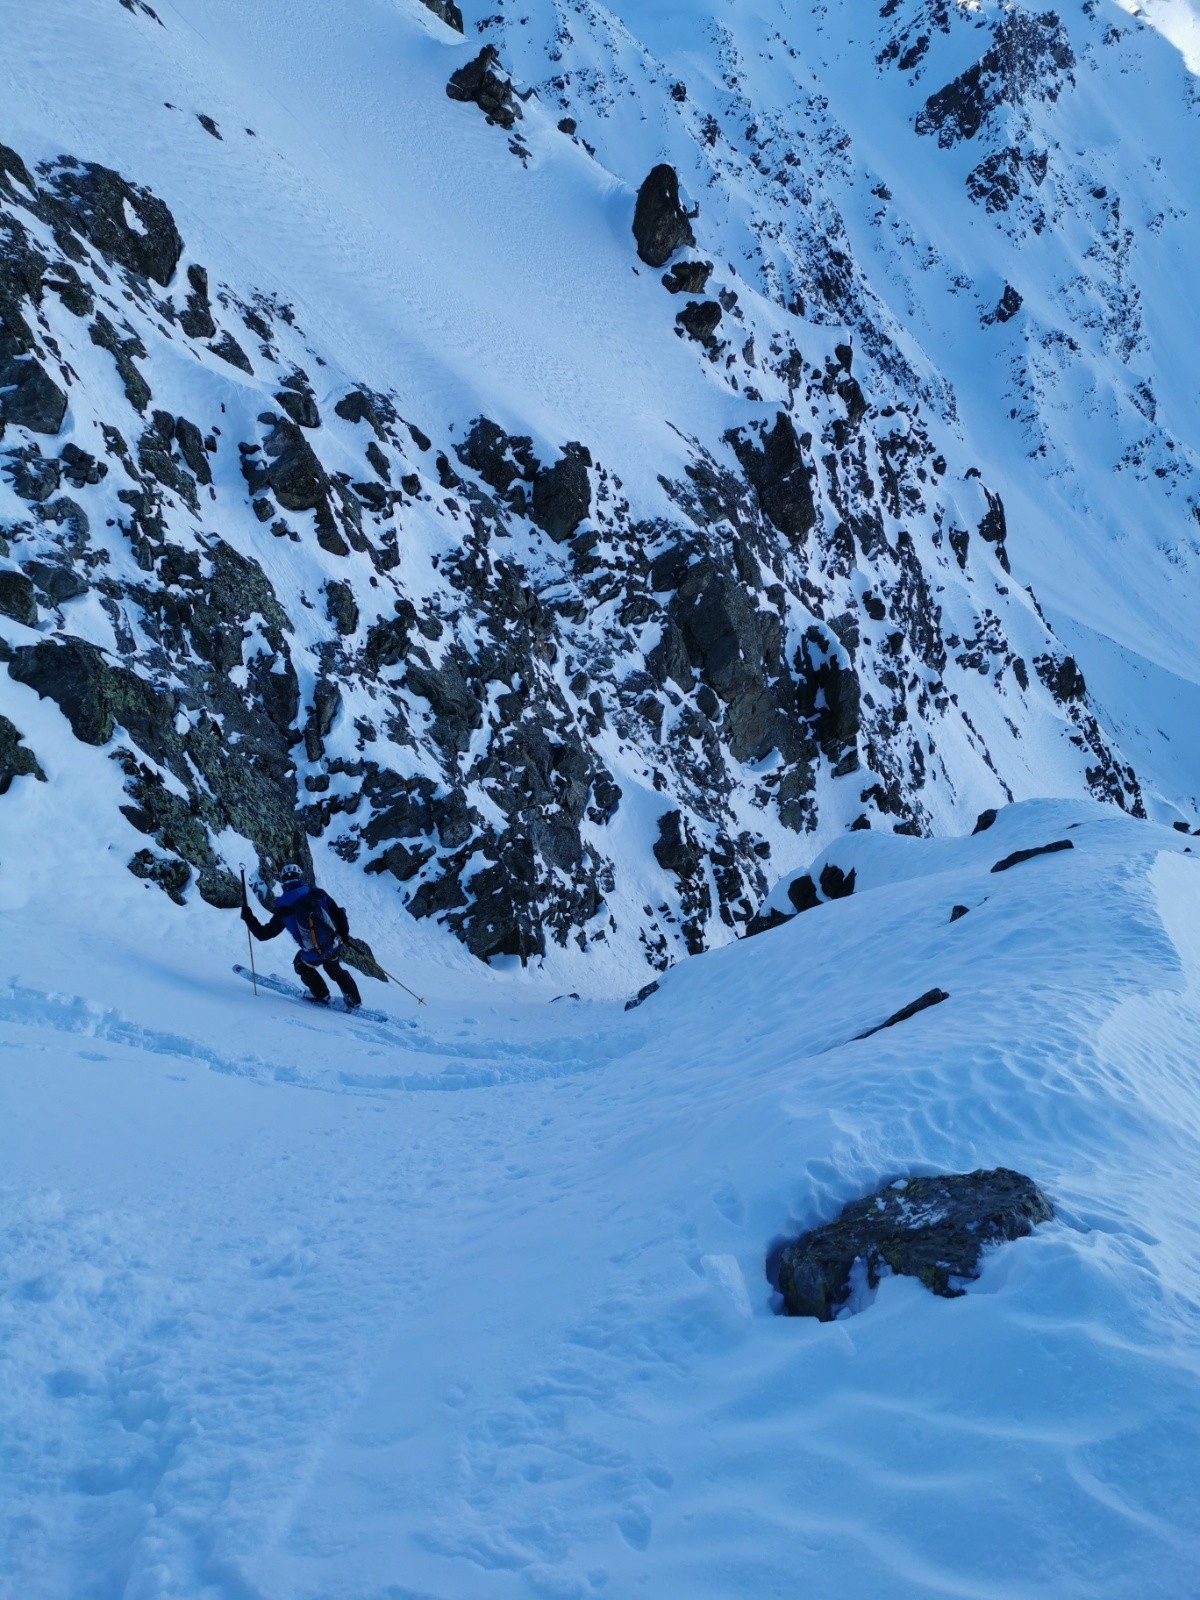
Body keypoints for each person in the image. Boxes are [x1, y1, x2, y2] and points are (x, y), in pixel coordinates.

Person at [241, 863, 362, 1009]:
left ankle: (321, 995)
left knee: (300, 963)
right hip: (333, 944)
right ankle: (354, 1000)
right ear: (300, 877)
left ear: (283, 882)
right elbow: (339, 914)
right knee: (334, 967)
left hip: (313, 954)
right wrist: (343, 934)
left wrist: (248, 917)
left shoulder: (283, 909)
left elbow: (263, 934)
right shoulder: (318, 894)